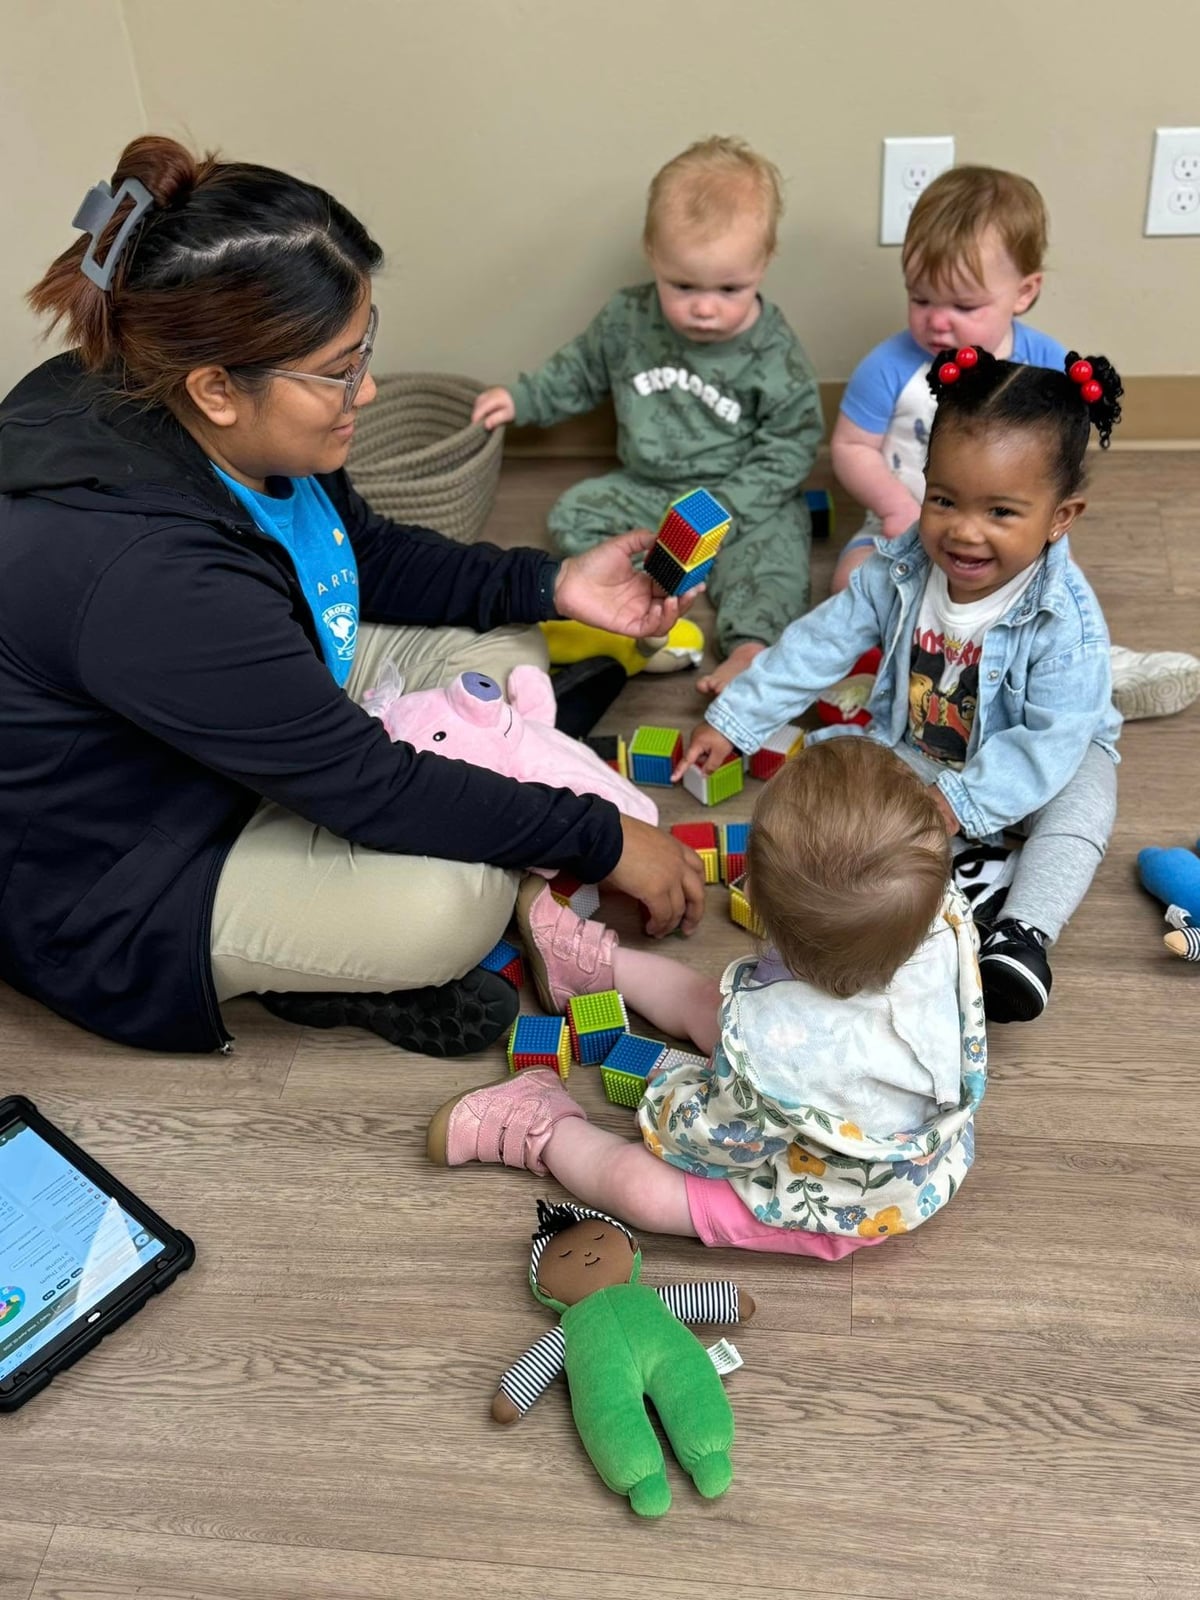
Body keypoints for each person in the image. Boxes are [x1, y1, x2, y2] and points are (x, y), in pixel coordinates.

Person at [0, 135, 705, 1059]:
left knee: (511, 640)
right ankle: (320, 963)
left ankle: (480, 798)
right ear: (217, 389)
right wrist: (600, 838)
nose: (366, 388)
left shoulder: (202, 402)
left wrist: (551, 583)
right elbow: (365, 788)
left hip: (239, 716)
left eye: (361, 344)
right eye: (337, 370)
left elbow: (357, 553)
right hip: (133, 861)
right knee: (447, 909)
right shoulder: (150, 575)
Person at [681, 344, 1126, 1024]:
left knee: (1088, 793)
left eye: (1001, 513)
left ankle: (1024, 933)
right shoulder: (900, 567)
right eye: (944, 500)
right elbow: (822, 641)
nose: (964, 533)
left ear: (1061, 516)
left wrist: (963, 803)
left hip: (1037, 762)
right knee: (842, 793)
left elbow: (1053, 739)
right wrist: (736, 719)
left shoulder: (1067, 620)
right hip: (920, 746)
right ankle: (862, 915)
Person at [428, 739, 986, 1258]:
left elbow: (709, 1141)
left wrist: (670, 1090)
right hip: (900, 1131)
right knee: (713, 1006)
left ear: (761, 912)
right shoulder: (942, 913)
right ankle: (596, 969)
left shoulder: (773, 1053)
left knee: (640, 1190)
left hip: (846, 1199)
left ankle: (543, 1125)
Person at [829, 163, 1200, 718]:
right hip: (906, 529)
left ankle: (1084, 676)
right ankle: (883, 676)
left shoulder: (1046, 367)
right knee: (850, 583)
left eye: (963, 306)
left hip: (1008, 543)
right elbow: (851, 446)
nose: (937, 323)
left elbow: (1061, 463)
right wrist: (894, 507)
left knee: (1054, 602)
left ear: (1023, 293)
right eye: (921, 299)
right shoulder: (887, 367)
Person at [471, 135, 823, 695]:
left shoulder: (775, 352)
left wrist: (731, 508)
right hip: (652, 489)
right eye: (683, 286)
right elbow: (579, 370)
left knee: (777, 558)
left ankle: (751, 649)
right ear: (652, 254)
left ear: (764, 263)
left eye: (730, 288)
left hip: (742, 497)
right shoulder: (626, 320)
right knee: (573, 515)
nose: (705, 308)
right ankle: (647, 596)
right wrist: (523, 399)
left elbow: (792, 443)